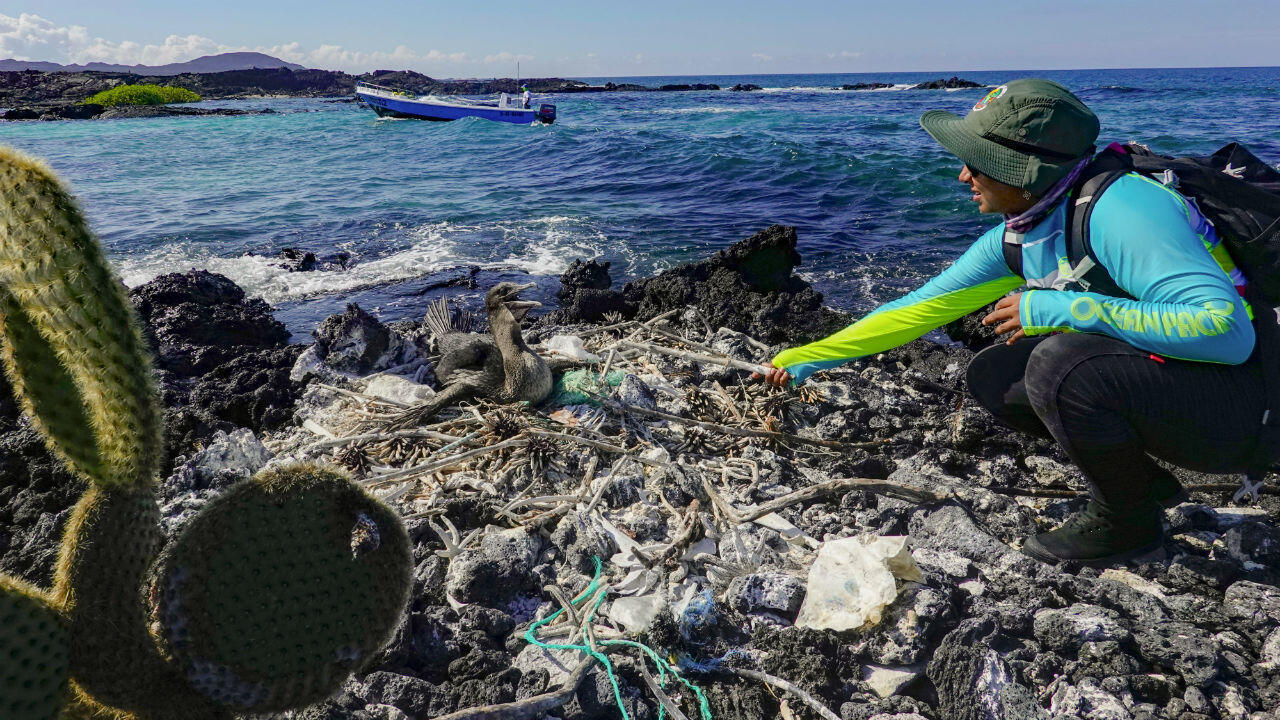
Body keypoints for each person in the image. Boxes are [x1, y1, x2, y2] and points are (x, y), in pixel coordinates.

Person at [759, 78, 1267, 566]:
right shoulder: (1029, 227)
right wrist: (809, 357)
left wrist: (1064, 309)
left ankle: (1126, 521)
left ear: (1022, 168)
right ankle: (1140, 486)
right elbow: (919, 308)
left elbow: (1225, 330)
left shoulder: (1123, 209)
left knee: (1059, 365)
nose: (963, 176)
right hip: (1199, 391)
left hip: (1256, 409)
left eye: (975, 163)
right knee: (997, 375)